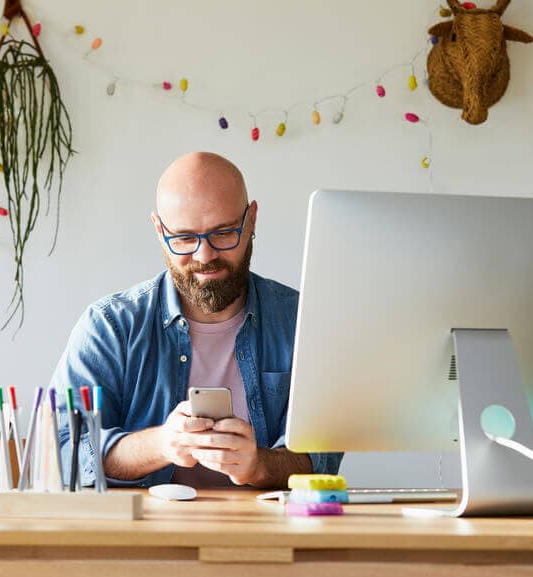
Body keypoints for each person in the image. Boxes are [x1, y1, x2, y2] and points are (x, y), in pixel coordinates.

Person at [51, 152, 342, 488]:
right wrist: (161, 445)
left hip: (269, 534)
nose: (205, 256)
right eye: (185, 238)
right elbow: (63, 449)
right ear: (160, 231)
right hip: (141, 536)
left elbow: (325, 456)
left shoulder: (301, 321)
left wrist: (259, 465)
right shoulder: (110, 327)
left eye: (223, 233)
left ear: (252, 221)